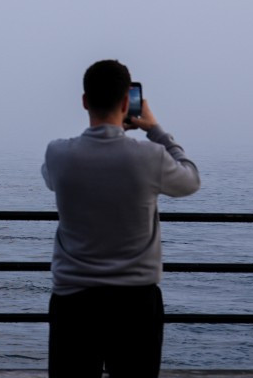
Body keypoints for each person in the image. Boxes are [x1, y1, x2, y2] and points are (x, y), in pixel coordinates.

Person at [42, 59, 201, 378]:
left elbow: (52, 178)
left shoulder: (58, 154)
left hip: (73, 302)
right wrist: (155, 130)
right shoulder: (150, 157)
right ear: (127, 102)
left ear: (85, 101)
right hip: (136, 303)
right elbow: (190, 180)